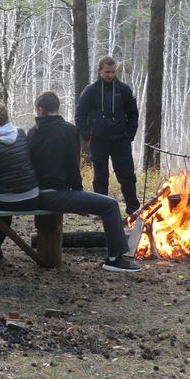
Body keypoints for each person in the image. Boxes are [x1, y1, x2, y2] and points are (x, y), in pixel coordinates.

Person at [29, 91, 140, 272]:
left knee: (108, 204)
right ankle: (114, 259)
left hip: (36, 195)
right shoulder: (69, 130)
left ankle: (115, 258)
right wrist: (78, 196)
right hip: (56, 195)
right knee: (111, 205)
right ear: (56, 108)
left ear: (40, 109)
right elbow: (73, 167)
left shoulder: (32, 132)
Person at [0, 103, 42, 263]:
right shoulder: (20, 133)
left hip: (7, 200)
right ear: (6, 116)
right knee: (5, 202)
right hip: (33, 195)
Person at [75, 56, 141, 215]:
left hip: (121, 141)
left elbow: (133, 113)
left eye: (113, 72)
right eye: (107, 72)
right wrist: (87, 135)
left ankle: (133, 209)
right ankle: (100, 211)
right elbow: (80, 115)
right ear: (99, 71)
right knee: (100, 177)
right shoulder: (90, 91)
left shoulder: (123, 90)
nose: (110, 75)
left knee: (127, 176)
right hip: (98, 141)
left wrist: (130, 134)